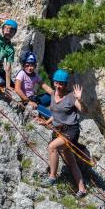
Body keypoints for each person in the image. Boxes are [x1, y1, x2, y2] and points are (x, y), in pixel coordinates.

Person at [37, 69, 87, 197]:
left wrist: (80, 100)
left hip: (71, 131)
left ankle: (52, 178)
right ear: (54, 82)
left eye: (62, 84)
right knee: (70, 160)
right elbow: (56, 114)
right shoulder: (53, 95)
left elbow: (84, 110)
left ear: (65, 85)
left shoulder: (71, 97)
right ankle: (82, 189)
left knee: (52, 147)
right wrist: (47, 122)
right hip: (60, 131)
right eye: (57, 83)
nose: (59, 86)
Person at [14, 52, 53, 118]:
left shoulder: (35, 75)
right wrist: (28, 101)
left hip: (34, 98)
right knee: (46, 112)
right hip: (26, 100)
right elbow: (17, 89)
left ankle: (41, 108)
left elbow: (45, 86)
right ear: (23, 65)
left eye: (32, 65)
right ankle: (53, 118)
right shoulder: (22, 74)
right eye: (27, 65)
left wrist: (56, 95)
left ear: (35, 66)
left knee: (51, 96)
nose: (30, 68)